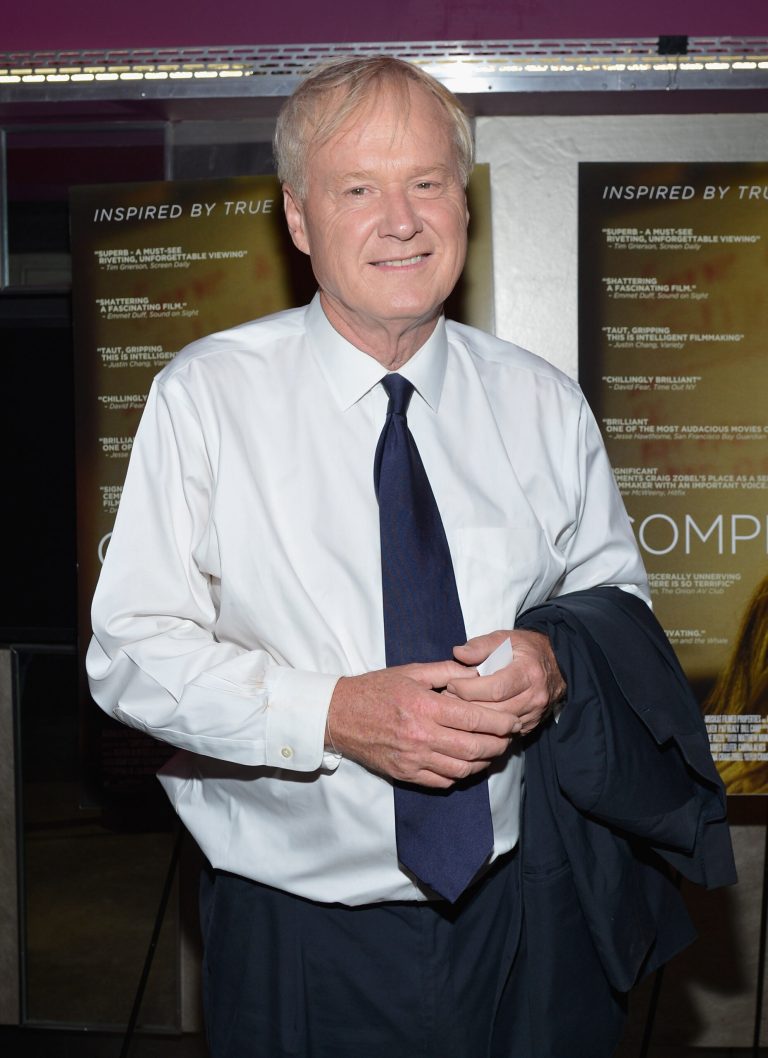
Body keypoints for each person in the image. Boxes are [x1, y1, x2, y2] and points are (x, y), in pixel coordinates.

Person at [87, 57, 733, 1058]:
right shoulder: (207, 396)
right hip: (297, 933)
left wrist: (552, 660)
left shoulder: (539, 400)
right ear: (299, 219)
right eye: (359, 189)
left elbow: (613, 596)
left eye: (428, 182)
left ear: (462, 208)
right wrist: (336, 713)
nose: (402, 219)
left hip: (522, 917)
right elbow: (130, 651)